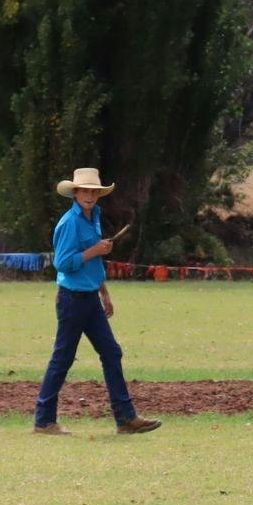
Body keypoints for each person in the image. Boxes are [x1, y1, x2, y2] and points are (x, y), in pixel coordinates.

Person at [33, 168, 161, 436]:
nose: (90, 195)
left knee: (111, 352)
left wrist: (104, 293)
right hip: (72, 299)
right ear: (75, 193)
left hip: (90, 298)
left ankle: (125, 419)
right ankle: (44, 421)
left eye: (94, 191)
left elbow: (93, 264)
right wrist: (94, 250)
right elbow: (62, 263)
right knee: (63, 357)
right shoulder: (69, 223)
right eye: (85, 191)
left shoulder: (95, 217)